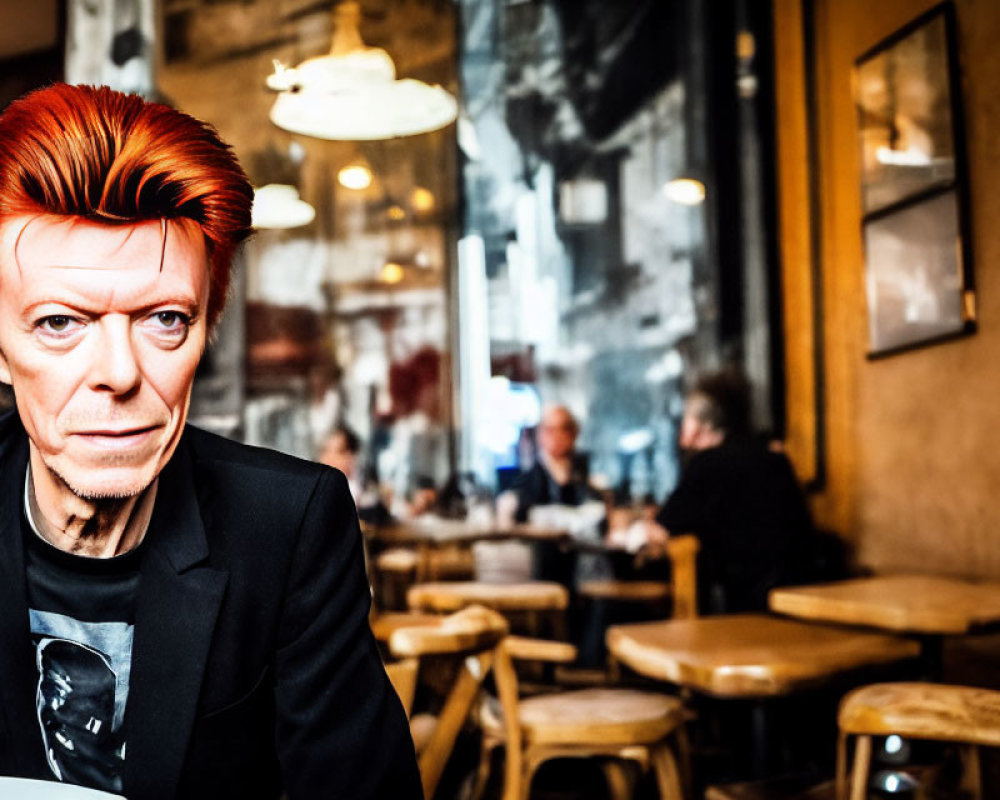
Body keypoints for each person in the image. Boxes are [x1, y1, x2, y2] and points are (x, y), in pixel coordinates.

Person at [0, 84, 421, 799]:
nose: (120, 375)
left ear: (208, 327)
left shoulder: (287, 526)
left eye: (164, 318)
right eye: (58, 323)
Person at [654, 370, 813, 614]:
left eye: (686, 416)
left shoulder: (706, 464)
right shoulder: (774, 458)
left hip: (747, 608)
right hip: (800, 598)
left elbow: (661, 529)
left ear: (701, 426)